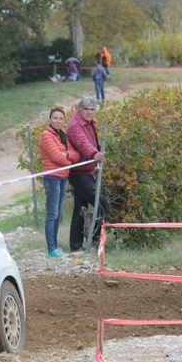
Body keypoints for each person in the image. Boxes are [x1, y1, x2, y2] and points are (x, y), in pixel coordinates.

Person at [66, 96, 107, 252]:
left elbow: (91, 142)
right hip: (78, 173)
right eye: (86, 109)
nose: (90, 112)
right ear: (79, 110)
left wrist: (97, 151)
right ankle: (96, 238)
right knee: (101, 204)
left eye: (92, 109)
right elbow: (83, 142)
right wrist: (94, 153)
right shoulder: (75, 126)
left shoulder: (89, 123)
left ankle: (76, 245)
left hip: (87, 170)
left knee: (80, 208)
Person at [39, 106, 80, 258]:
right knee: (52, 213)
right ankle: (51, 248)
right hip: (52, 178)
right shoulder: (46, 135)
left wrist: (67, 154)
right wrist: (69, 161)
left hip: (62, 177)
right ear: (50, 119)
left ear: (64, 120)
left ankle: (55, 246)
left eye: (61, 118)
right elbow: (56, 157)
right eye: (55, 118)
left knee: (58, 214)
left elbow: (76, 155)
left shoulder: (62, 135)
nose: (58, 121)